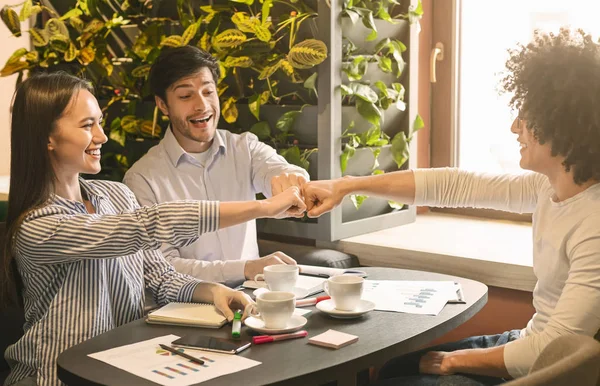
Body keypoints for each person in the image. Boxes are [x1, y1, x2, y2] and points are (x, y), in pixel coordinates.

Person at [303, 28, 600, 385]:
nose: (514, 127)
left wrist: (453, 362)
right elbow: (452, 184)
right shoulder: (547, 186)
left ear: (563, 122)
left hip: (542, 370)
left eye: (526, 116)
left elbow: (552, 349)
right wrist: (347, 186)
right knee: (392, 369)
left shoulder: (594, 223)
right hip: (525, 341)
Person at [0, 72, 305, 386]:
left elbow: (159, 275)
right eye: (87, 125)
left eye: (99, 122)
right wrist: (264, 207)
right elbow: (145, 226)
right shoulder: (37, 227)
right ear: (45, 137)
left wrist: (213, 291)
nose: (102, 136)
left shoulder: (117, 195)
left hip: (124, 369)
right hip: (55, 378)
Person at [123, 46, 310, 286]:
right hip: (190, 307)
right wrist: (245, 268)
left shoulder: (245, 149)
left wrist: (291, 181)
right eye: (185, 96)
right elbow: (162, 266)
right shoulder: (142, 178)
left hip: (253, 296)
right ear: (162, 105)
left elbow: (277, 170)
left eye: (208, 92)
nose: (202, 105)